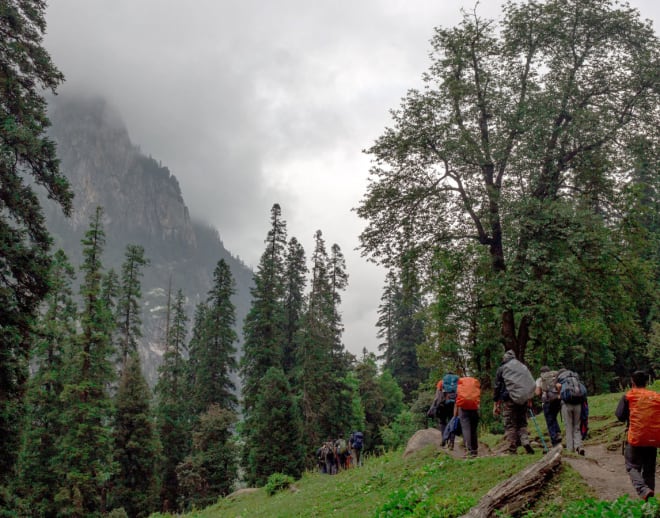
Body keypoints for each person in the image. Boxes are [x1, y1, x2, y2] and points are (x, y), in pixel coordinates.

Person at [615, 371, 658, 501]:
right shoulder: (656, 396)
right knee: (649, 470)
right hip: (654, 439)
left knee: (632, 466)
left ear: (632, 382)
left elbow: (620, 416)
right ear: (647, 382)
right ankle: (650, 502)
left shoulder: (629, 396)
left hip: (636, 438)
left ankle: (643, 490)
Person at [493, 349, 534, 454]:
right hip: (523, 399)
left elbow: (497, 387)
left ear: (505, 358)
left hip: (509, 399)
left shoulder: (502, 368)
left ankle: (512, 448)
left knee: (510, 424)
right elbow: (529, 383)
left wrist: (496, 403)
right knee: (522, 422)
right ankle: (525, 441)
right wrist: (529, 398)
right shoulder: (523, 367)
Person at [555, 369, 586, 455]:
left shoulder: (560, 379)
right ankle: (579, 446)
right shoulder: (574, 377)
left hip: (566, 404)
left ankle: (570, 450)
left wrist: (559, 394)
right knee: (577, 426)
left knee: (568, 427)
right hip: (578, 404)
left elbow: (558, 387)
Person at [427, 373, 458, 449]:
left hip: (443, 405)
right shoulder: (456, 383)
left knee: (442, 422)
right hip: (453, 405)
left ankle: (444, 440)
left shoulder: (441, 382)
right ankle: (451, 443)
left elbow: (437, 397)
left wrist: (433, 406)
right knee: (452, 422)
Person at [535, 366, 562, 447]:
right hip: (557, 400)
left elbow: (538, 392)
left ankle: (555, 441)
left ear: (541, 373)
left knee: (549, 421)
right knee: (553, 417)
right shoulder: (555, 377)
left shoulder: (540, 379)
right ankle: (557, 433)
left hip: (547, 402)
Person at [455, 376, 480, 458]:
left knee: (466, 429)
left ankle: (468, 450)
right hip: (474, 409)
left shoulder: (460, 386)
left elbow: (457, 400)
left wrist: (455, 414)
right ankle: (475, 450)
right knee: (473, 429)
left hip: (463, 409)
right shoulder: (475, 384)